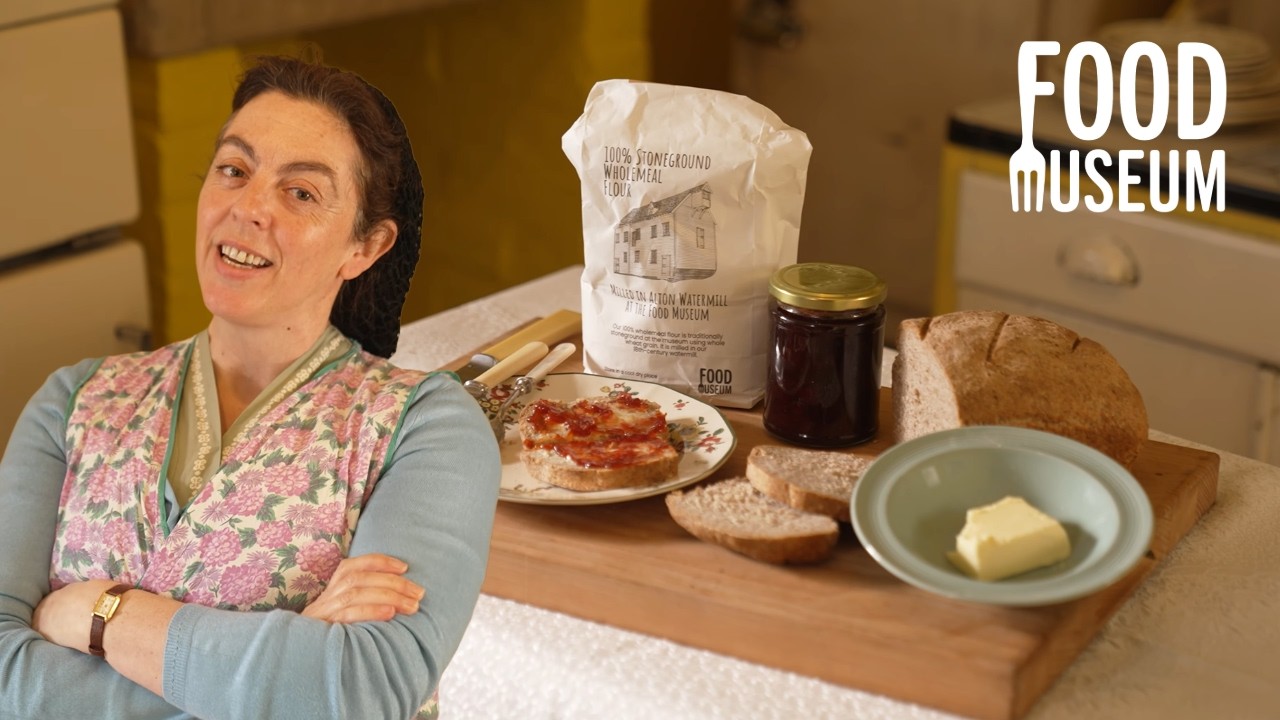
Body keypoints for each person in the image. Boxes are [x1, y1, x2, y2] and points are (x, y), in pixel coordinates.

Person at [0, 55, 501, 719]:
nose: (248, 207)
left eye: (301, 193)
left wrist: (99, 616)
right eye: (235, 170)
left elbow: (361, 690)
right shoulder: (73, 402)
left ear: (366, 246)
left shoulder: (425, 429)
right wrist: (282, 674)